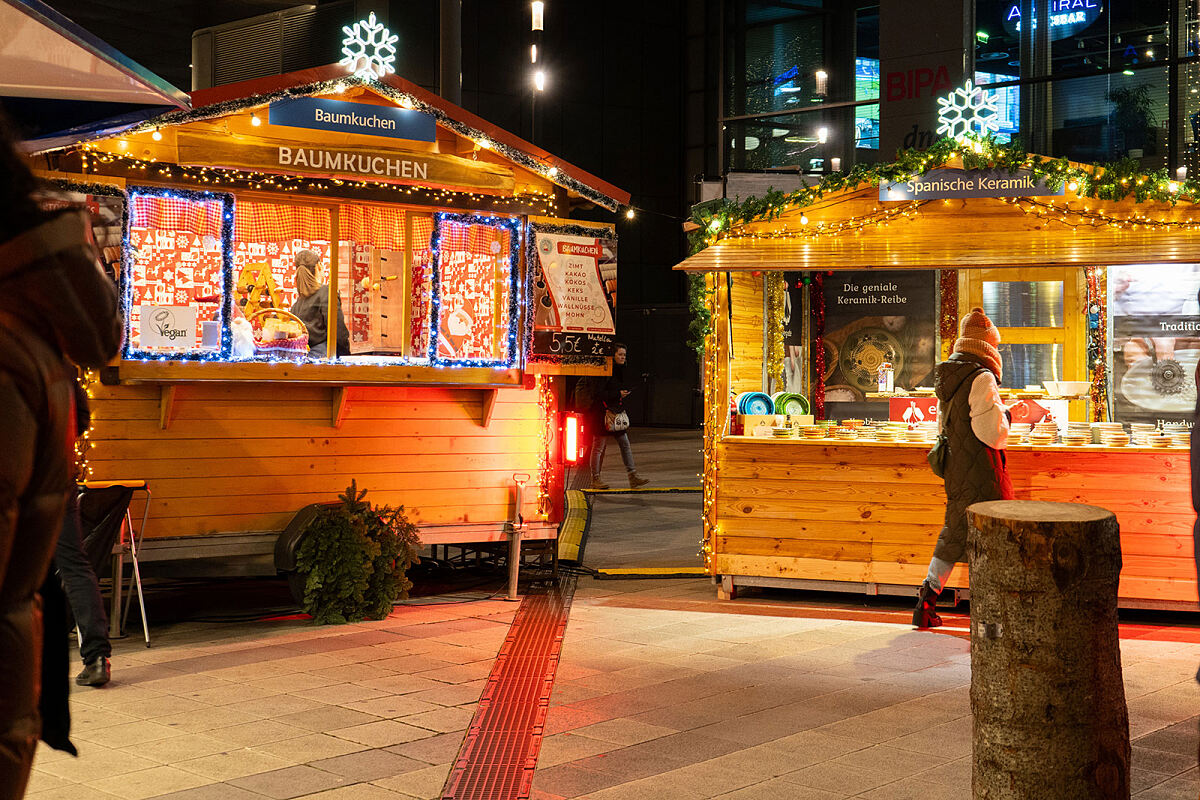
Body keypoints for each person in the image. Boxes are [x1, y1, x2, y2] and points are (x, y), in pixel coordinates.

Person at [0, 107, 122, 795]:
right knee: (70, 557)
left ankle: (98, 649)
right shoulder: (32, 315)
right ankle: (97, 648)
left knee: (70, 557)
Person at [914, 308, 1012, 629]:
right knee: (992, 534)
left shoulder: (951, 374)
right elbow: (991, 434)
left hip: (957, 466)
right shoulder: (981, 376)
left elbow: (950, 424)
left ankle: (926, 601)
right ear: (986, 344)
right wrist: (1010, 416)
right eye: (995, 344)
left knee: (955, 532)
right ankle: (992, 612)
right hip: (981, 468)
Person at [589, 343, 650, 490]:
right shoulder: (604, 371)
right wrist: (618, 394)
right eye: (620, 354)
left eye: (624, 355)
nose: (623, 357)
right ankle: (595, 478)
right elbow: (597, 393)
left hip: (615, 412)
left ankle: (632, 476)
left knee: (625, 444)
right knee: (598, 446)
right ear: (613, 356)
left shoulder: (620, 371)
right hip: (602, 414)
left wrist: (622, 394)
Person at [290, 249, 350, 357]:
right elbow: (338, 332)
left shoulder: (296, 305)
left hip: (302, 359)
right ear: (319, 267)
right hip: (323, 358)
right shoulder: (327, 292)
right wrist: (346, 357)